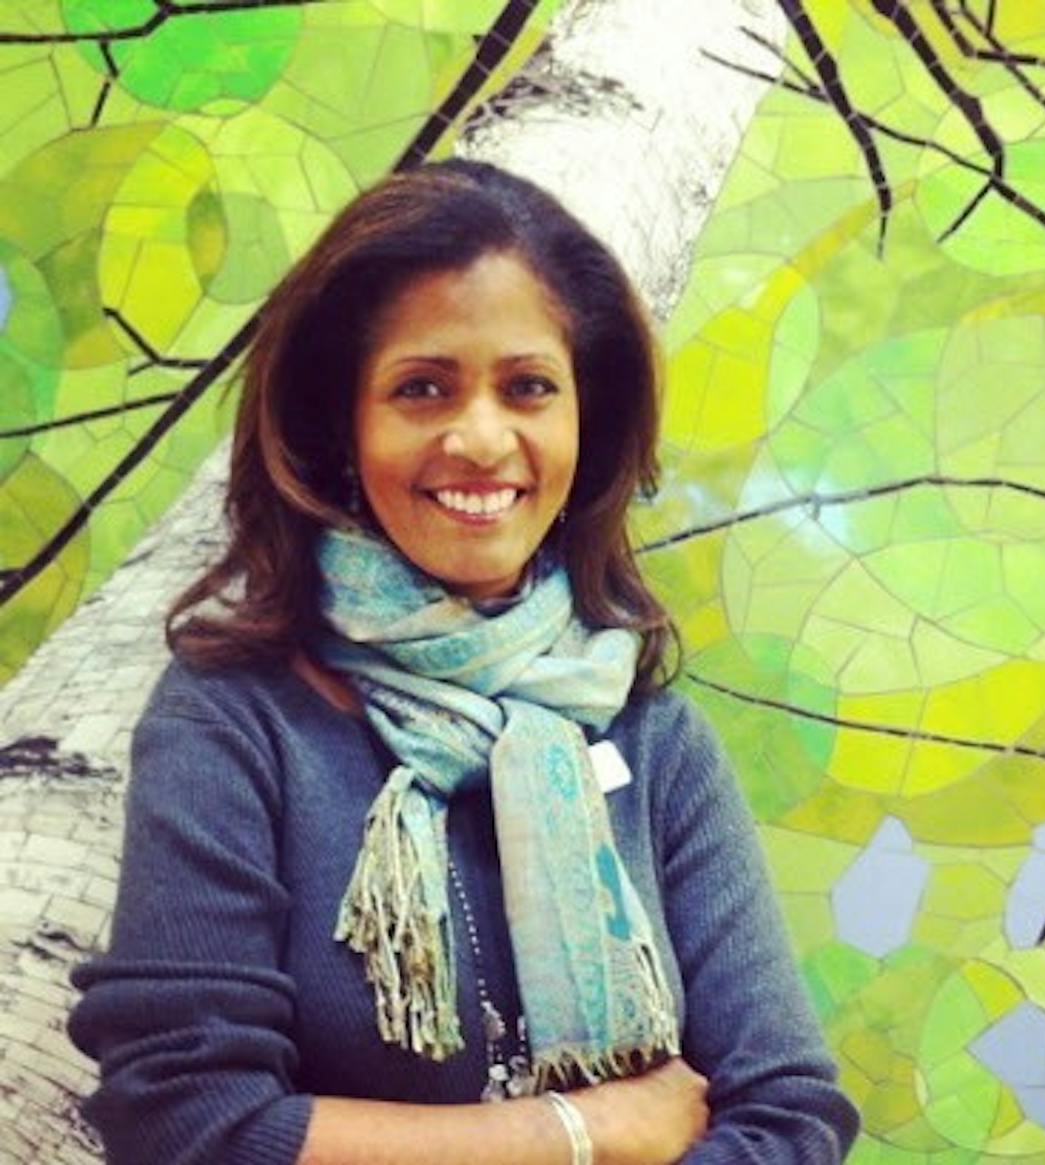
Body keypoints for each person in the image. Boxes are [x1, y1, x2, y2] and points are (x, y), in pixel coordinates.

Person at [66, 159, 859, 1165]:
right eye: (421, 387)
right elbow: (192, 1125)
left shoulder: (651, 741)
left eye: (528, 387)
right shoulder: (234, 719)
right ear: (341, 427)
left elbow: (788, 1118)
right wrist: (577, 1132)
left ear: (586, 424)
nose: (481, 439)